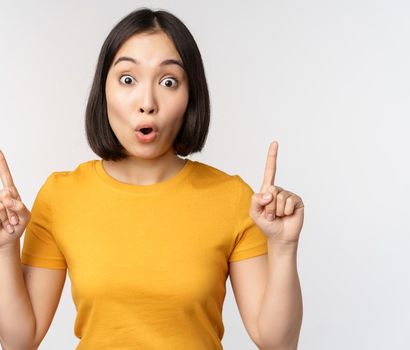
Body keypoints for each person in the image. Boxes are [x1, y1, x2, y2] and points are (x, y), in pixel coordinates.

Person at [0, 8, 304, 349]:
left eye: (168, 81)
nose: (147, 102)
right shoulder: (61, 196)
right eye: (128, 79)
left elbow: (277, 343)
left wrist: (283, 247)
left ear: (191, 97)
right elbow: (19, 340)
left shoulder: (232, 197)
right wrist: (4, 248)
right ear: (104, 90)